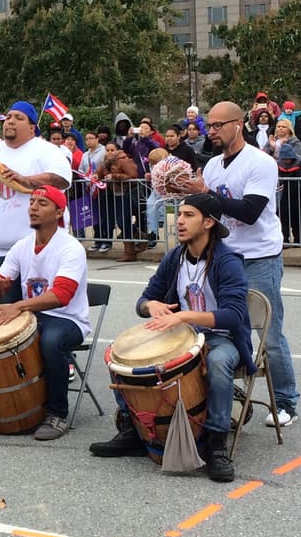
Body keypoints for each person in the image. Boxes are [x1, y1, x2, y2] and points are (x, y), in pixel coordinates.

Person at [89, 193, 254, 483]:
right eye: (179, 214)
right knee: (120, 354)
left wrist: (183, 316)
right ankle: (132, 429)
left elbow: (234, 315)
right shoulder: (174, 258)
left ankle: (217, 446)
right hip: (180, 335)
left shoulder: (228, 262)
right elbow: (144, 301)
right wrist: (150, 305)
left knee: (217, 362)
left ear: (208, 223)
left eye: (188, 215)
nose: (178, 220)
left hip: (220, 337)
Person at [182, 101, 299, 427]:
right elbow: (210, 211)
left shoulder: (259, 162)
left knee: (269, 334)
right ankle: (230, 392)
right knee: (222, 329)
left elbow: (249, 211)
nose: (213, 131)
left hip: (259, 255)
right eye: (210, 126)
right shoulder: (213, 165)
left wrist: (206, 193)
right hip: (225, 256)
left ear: (238, 124)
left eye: (219, 125)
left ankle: (286, 400)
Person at [0, 186, 89, 440]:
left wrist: (20, 305)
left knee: (50, 341)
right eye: (32, 201)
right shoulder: (22, 245)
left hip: (67, 318)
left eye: (42, 203)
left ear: (59, 212)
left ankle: (57, 413)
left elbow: (61, 296)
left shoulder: (70, 248)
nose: (33, 207)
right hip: (33, 315)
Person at [0, 100, 72, 297]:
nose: (10, 121)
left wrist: (24, 179)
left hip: (40, 249)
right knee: (3, 316)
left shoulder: (45, 150)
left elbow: (60, 179)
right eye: (8, 117)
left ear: (31, 127)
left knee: (42, 311)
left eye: (18, 118)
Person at [95, 140, 140, 260]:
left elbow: (133, 175)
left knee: (123, 221)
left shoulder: (123, 160)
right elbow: (100, 172)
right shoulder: (105, 162)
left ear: (117, 150)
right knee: (120, 221)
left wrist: (115, 176)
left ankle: (130, 251)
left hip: (125, 193)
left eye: (112, 150)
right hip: (114, 194)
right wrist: (96, 175)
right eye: (107, 150)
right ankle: (139, 238)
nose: (109, 152)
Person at [269, 118, 301, 246]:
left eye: (287, 159)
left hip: (298, 195)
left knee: (298, 217)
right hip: (283, 194)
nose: (285, 162)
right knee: (283, 217)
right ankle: (284, 239)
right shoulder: (277, 163)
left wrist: (299, 188)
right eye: (283, 159)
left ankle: (300, 239)